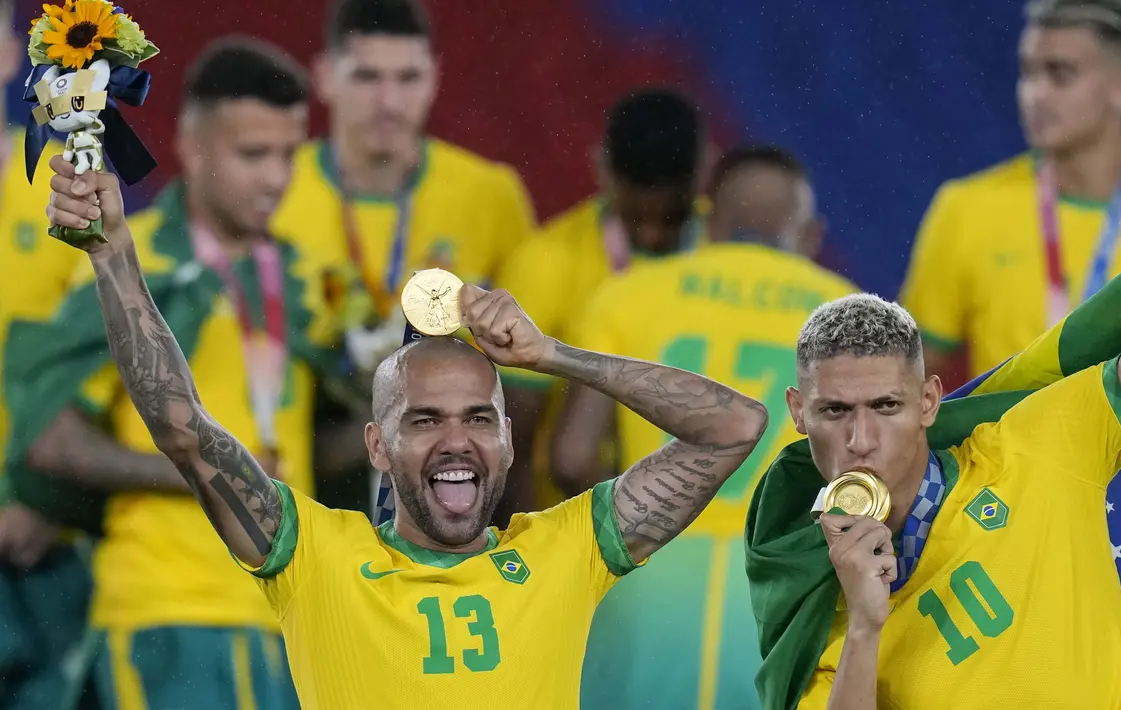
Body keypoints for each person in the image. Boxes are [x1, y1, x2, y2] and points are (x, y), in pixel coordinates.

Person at [44, 157, 768, 710]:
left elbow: (734, 428)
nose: (456, 441)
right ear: (377, 447)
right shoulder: (313, 555)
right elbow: (182, 427)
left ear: (509, 443)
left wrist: (551, 355)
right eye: (424, 420)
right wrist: (113, 255)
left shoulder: (564, 551)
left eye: (479, 419)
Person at [10, 38, 340, 710]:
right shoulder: (127, 267)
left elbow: (322, 444)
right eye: (253, 155)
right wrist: (202, 471)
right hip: (167, 607)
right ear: (191, 144)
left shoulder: (307, 279)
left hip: (293, 611)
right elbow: (51, 438)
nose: (275, 179)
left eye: (287, 154)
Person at [763, 254, 1121, 707]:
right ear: (799, 412)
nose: (860, 439)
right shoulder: (821, 611)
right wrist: (865, 625)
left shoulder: (1037, 448)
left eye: (886, 406)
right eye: (834, 410)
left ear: (928, 402)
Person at [554, 146, 858, 709]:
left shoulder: (628, 293)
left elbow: (570, 458)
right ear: (810, 234)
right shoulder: (846, 310)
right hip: (782, 589)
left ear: (705, 221)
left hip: (646, 580)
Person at [272, 0, 538, 515]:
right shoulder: (276, 193)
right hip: (313, 488)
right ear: (325, 77)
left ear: (434, 77)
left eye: (407, 77)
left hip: (453, 485)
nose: (389, 101)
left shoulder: (491, 195)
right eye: (367, 76)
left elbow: (522, 374)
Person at [899, 0, 1121, 382]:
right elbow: (906, 378)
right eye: (1027, 72)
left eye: (1060, 74)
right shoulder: (965, 209)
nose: (1035, 94)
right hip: (1005, 442)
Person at [494, 88, 710, 519]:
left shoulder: (734, 259)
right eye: (634, 218)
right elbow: (508, 443)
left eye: (670, 220)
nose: (649, 235)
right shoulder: (543, 265)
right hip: (577, 534)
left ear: (703, 173)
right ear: (603, 170)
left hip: (712, 533)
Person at [0, 2, 93, 705]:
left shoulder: (69, 186)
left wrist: (53, 504)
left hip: (43, 549)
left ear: (11, 55)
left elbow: (112, 364)